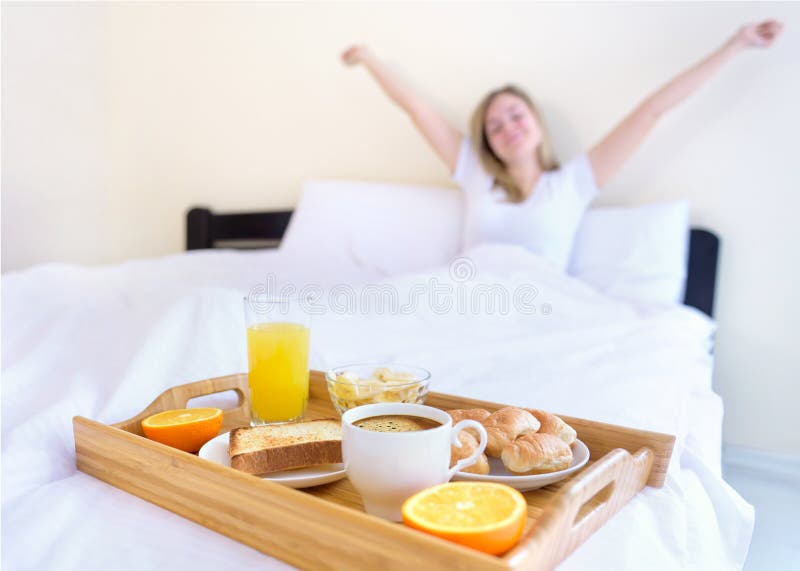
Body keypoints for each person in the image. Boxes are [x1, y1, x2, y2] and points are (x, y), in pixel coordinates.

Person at [341, 20, 783, 270]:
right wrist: (368, 59)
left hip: (543, 307)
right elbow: (417, 109)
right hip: (469, 299)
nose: (508, 126)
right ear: (488, 145)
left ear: (536, 121)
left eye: (516, 114)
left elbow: (651, 111)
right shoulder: (476, 173)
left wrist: (736, 45)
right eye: (495, 126)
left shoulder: (574, 182)